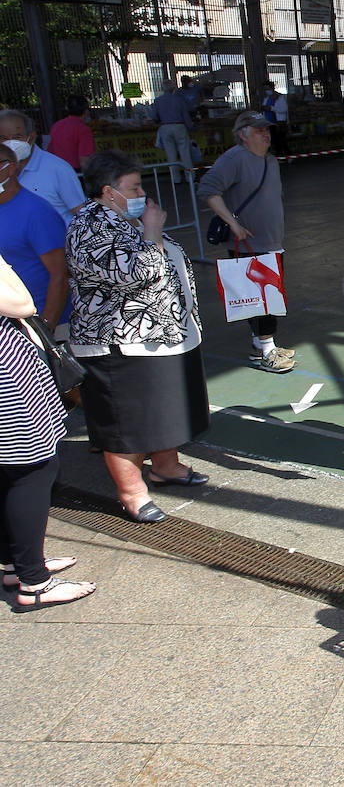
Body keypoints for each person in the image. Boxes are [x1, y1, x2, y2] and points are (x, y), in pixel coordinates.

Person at [67, 150, 212, 524]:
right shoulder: (89, 227)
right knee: (128, 422)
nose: (142, 194)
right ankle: (132, 492)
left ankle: (167, 465)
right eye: (133, 187)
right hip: (120, 344)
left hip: (162, 337)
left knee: (165, 411)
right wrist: (152, 231)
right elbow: (134, 274)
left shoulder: (123, 220)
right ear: (107, 191)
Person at [0, 253, 96, 609]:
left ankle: (18, 563)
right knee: (32, 471)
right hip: (8, 382)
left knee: (9, 473)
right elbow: (22, 303)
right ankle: (34, 583)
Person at [198, 112, 296, 373]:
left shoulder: (270, 162)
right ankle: (267, 349)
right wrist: (233, 223)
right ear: (243, 134)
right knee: (261, 297)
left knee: (268, 295)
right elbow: (208, 189)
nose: (266, 134)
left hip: (272, 239)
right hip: (250, 242)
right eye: (258, 130)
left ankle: (261, 343)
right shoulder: (234, 159)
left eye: (267, 130)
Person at [0, 144, 69, 330]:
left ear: (10, 168)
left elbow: (61, 275)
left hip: (43, 324)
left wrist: (46, 329)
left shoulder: (37, 212)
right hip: (12, 327)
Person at [0, 109, 84, 224]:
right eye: (3, 138)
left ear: (32, 137)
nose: (10, 143)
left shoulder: (58, 169)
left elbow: (81, 213)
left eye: (17, 137)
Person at [151, 81, 195, 185]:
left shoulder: (158, 101)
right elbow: (186, 116)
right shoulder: (179, 100)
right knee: (185, 153)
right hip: (179, 126)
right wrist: (190, 128)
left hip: (165, 127)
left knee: (171, 155)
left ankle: (176, 179)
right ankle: (190, 177)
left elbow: (154, 117)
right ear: (173, 88)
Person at [47, 96, 96, 172]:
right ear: (86, 111)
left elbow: (50, 151)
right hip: (75, 173)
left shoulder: (57, 125)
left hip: (57, 171)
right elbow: (84, 160)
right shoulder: (83, 129)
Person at [261, 81, 290, 158]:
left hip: (279, 122)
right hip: (269, 123)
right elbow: (264, 108)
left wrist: (271, 108)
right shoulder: (266, 99)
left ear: (272, 88)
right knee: (274, 140)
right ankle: (279, 156)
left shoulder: (280, 97)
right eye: (265, 89)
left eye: (267, 89)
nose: (266, 91)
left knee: (281, 140)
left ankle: (288, 156)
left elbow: (284, 109)